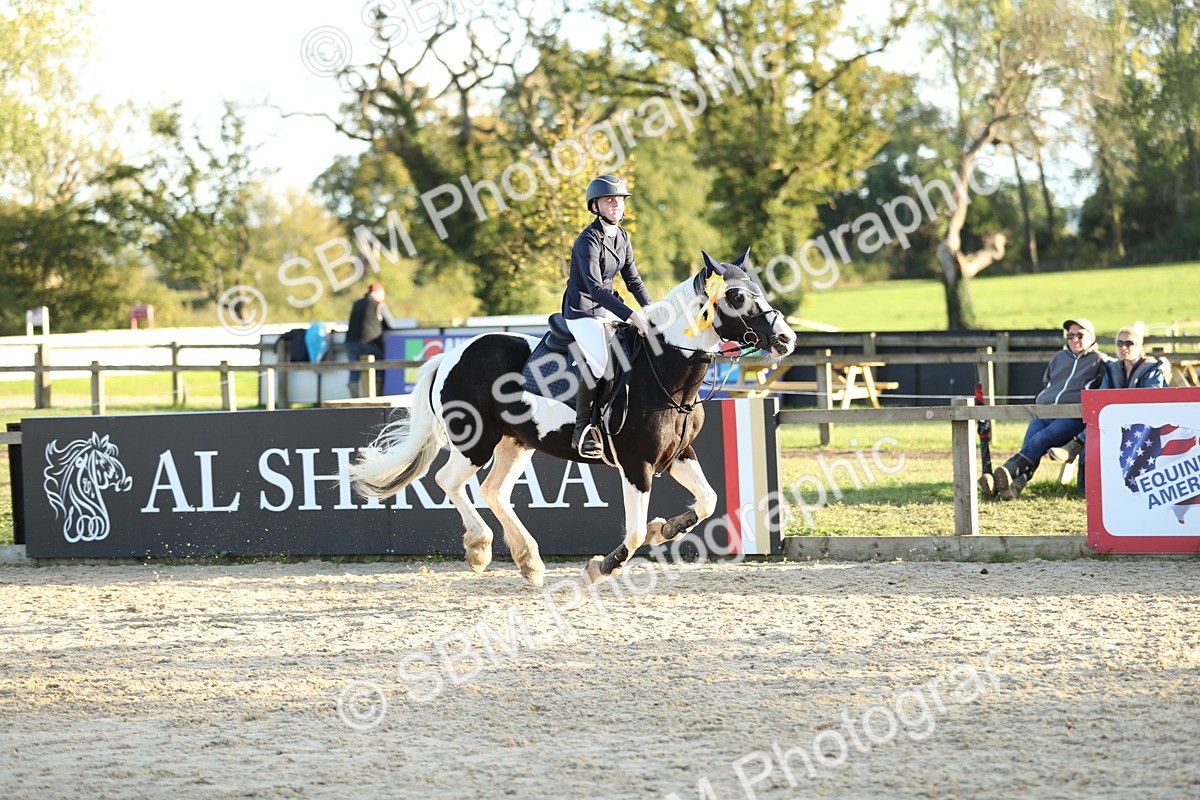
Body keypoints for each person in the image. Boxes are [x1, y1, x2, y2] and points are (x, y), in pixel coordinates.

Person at [563, 174, 653, 458]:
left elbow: (634, 281)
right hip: (582, 311)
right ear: (595, 206)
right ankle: (582, 429)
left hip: (607, 308)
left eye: (619, 200)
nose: (615, 204)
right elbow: (595, 288)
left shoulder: (623, 237)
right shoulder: (587, 240)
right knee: (602, 364)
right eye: (609, 200)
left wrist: (652, 311)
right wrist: (631, 315)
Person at [978, 318, 1108, 501]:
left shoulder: (1100, 361)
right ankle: (1011, 488)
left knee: (1041, 439)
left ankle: (1006, 470)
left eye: (1080, 335)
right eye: (1070, 336)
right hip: (1045, 411)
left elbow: (1113, 378)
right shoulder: (1059, 358)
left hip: (1073, 416)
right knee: (1030, 443)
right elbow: (1048, 382)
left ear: (1092, 337)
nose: (1075, 339)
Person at [1047, 323, 1171, 486]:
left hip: (1145, 423)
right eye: (1120, 343)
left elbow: (1149, 401)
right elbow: (1102, 399)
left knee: (1102, 425)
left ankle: (1075, 445)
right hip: (1115, 421)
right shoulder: (1112, 369)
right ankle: (1086, 487)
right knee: (1095, 431)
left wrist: (1117, 409)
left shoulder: (1152, 369)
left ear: (1139, 346)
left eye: (1129, 343)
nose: (1123, 347)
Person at [346, 282, 399, 397]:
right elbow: (391, 324)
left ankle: (354, 398)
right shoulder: (379, 305)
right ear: (377, 293)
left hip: (351, 342)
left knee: (354, 371)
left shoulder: (356, 303)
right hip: (371, 343)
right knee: (377, 369)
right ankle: (375, 397)